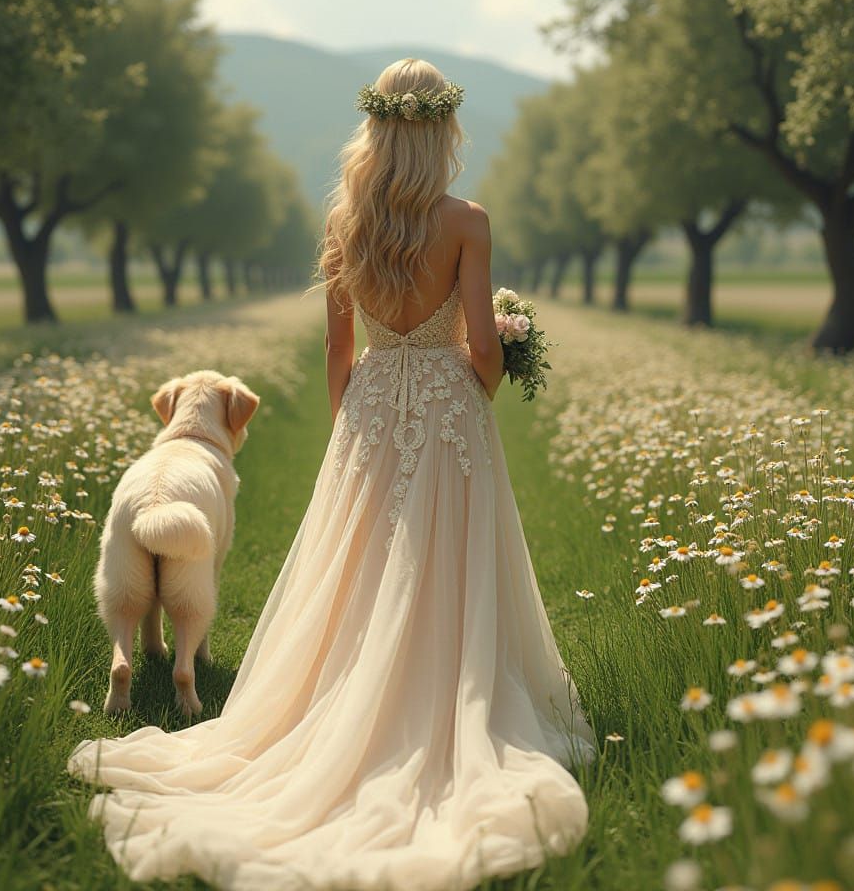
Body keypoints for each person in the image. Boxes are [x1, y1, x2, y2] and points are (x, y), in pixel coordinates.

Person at [68, 57, 596, 891]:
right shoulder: (467, 220)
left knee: (360, 569)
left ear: (378, 128)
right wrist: (478, 383)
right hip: (450, 411)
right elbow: (485, 349)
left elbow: (335, 348)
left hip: (371, 405)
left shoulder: (346, 223)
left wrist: (351, 424)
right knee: (448, 559)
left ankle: (342, 704)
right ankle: (440, 700)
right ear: (442, 130)